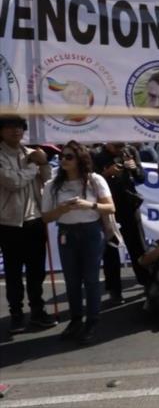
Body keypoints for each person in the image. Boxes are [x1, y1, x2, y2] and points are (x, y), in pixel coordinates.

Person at [41, 141, 115, 345]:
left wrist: (88, 204)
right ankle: (75, 319)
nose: (63, 160)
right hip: (66, 232)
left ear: (80, 159)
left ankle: (92, 321)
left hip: (91, 231)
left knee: (91, 279)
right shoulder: (52, 184)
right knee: (72, 280)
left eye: (69, 157)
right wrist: (62, 210)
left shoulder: (94, 180)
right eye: (62, 157)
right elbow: (46, 217)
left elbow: (110, 208)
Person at [0, 115, 58, 333]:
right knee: (14, 272)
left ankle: (37, 311)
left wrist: (42, 162)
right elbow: (13, 182)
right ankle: (16, 314)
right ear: (1, 132)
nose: (15, 131)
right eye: (9, 128)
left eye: (19, 127)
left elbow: (47, 179)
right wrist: (34, 166)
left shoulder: (30, 153)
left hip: (34, 220)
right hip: (8, 223)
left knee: (36, 272)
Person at [92, 141, 149, 303]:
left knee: (138, 245)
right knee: (110, 250)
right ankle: (114, 290)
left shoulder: (131, 150)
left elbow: (141, 177)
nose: (120, 149)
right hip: (108, 206)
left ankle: (146, 282)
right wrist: (106, 174)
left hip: (129, 204)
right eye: (116, 146)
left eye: (121, 146)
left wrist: (134, 168)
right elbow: (89, 182)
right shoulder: (96, 155)